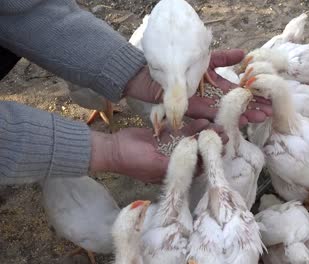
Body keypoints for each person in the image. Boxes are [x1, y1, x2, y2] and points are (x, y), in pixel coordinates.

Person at [0, 0, 272, 184]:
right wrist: (108, 151)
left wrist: (127, 71)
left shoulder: (187, 54)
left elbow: (20, 8)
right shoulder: (157, 57)